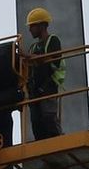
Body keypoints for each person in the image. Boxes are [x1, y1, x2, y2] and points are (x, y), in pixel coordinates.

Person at [25, 7, 65, 140]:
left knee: (49, 118)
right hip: (35, 89)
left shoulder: (53, 41)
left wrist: (31, 57)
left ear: (42, 25)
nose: (29, 29)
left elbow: (52, 61)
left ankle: (58, 143)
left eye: (32, 26)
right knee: (36, 122)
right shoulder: (33, 47)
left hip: (48, 86)